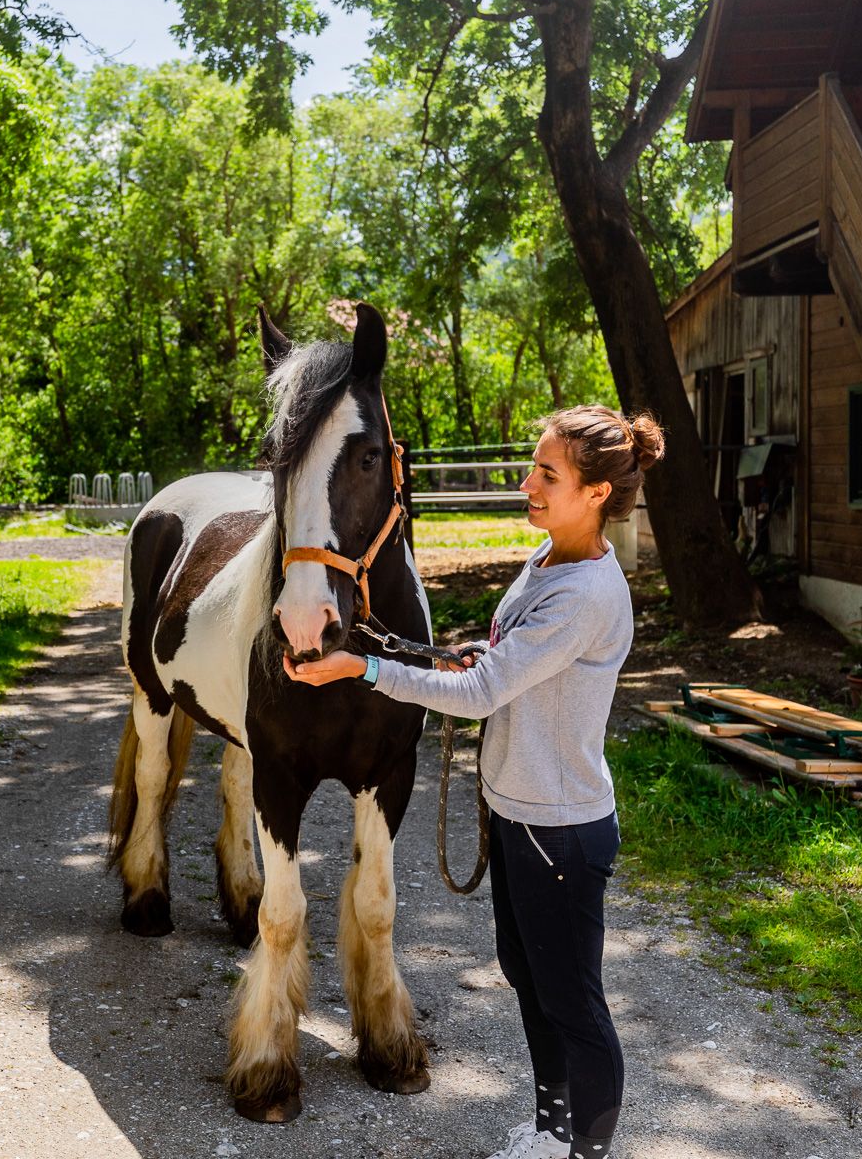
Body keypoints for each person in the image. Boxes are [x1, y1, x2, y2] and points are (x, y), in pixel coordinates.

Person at [284, 405, 661, 1159]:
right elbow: (506, 658)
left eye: (547, 476)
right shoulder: (551, 558)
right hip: (521, 815)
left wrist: (363, 666)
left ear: (594, 494)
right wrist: (464, 652)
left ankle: (584, 1152)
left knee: (574, 1005)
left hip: (560, 829)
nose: (528, 484)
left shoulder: (585, 593)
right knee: (530, 981)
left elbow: (484, 694)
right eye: (533, 467)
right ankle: (553, 1130)